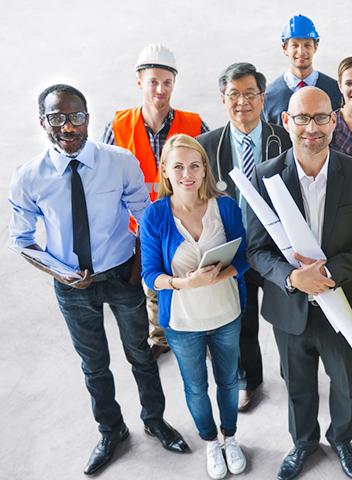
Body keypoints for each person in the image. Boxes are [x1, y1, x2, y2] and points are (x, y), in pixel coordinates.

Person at [9, 84, 189, 476]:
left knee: (142, 355)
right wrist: (60, 272)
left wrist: (140, 264)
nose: (68, 127)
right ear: (43, 123)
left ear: (88, 118)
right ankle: (111, 430)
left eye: (76, 116)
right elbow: (21, 241)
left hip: (122, 275)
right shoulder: (29, 178)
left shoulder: (120, 162)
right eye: (57, 118)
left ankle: (155, 420)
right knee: (94, 365)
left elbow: (147, 219)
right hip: (72, 286)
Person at [247, 86, 352, 480]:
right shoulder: (265, 176)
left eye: (321, 117)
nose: (312, 127)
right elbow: (257, 250)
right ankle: (303, 442)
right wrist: (292, 278)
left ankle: (343, 439)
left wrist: (328, 274)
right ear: (287, 122)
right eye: (302, 118)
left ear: (334, 120)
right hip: (289, 308)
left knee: (344, 383)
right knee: (298, 384)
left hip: (340, 303)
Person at [140, 134, 249, 479]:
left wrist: (223, 274)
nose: (187, 173)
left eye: (194, 165)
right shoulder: (155, 216)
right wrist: (185, 284)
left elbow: (245, 257)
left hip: (226, 312)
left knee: (229, 382)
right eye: (178, 167)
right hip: (183, 321)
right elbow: (150, 273)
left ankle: (230, 437)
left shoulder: (226, 207)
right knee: (196, 387)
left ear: (204, 169)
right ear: (166, 172)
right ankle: (210, 442)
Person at [103, 43, 209, 358]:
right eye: (153, 81)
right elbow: (104, 181)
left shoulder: (193, 125)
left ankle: (196, 335)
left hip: (184, 222)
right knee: (152, 288)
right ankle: (161, 340)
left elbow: (209, 170)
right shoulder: (119, 127)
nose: (160, 89)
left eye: (166, 82)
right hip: (136, 228)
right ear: (139, 82)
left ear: (174, 83)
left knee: (190, 283)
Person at [198, 62, 290, 412]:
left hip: (279, 248)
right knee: (241, 321)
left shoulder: (284, 138)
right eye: (233, 95)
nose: (242, 102)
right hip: (233, 248)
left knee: (285, 317)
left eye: (250, 93)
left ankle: (291, 372)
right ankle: (247, 380)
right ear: (222, 100)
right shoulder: (206, 146)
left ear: (262, 98)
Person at [263, 14, 343, 125]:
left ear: (315, 47)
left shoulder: (336, 91)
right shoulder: (268, 96)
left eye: (307, 45)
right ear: (285, 49)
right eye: (295, 45)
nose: (301, 51)